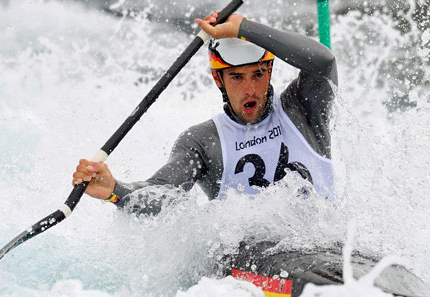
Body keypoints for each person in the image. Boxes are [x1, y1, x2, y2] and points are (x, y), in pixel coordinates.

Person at [72, 11, 338, 296]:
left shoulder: (304, 109)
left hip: (326, 247)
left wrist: (245, 28)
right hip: (251, 263)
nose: (250, 89)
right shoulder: (203, 141)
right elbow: (162, 193)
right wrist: (115, 190)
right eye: (236, 77)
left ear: (269, 72)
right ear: (218, 80)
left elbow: (324, 63)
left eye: (258, 74)